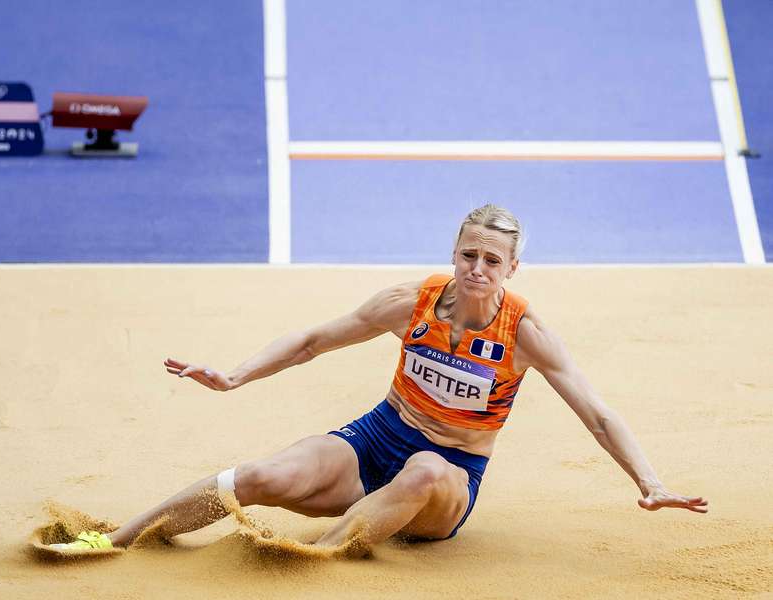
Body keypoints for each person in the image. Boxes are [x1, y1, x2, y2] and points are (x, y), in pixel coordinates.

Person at [51, 204, 707, 554]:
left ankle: (315, 564)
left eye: (492, 259)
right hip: (374, 441)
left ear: (512, 267)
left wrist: (650, 483)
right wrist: (235, 376)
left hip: (446, 480)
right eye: (468, 254)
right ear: (454, 255)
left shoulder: (524, 334)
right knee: (261, 477)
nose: (477, 267)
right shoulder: (410, 302)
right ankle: (113, 538)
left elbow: (596, 414)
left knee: (423, 467)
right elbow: (314, 340)